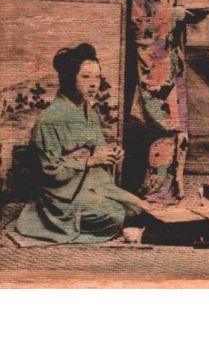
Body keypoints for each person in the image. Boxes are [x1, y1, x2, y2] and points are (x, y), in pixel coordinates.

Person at [7, 44, 147, 247]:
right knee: (115, 215)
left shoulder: (88, 111)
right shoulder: (50, 119)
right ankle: (53, 225)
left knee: (138, 208)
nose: (93, 84)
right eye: (85, 77)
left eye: (97, 77)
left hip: (91, 186)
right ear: (68, 78)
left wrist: (110, 154)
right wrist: (90, 161)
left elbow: (98, 149)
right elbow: (49, 170)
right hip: (61, 196)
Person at [130, 0, 189, 204]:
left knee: (175, 126)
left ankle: (170, 188)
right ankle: (155, 190)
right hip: (154, 68)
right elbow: (140, 30)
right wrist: (172, 16)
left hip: (168, 64)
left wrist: (176, 17)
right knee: (163, 127)